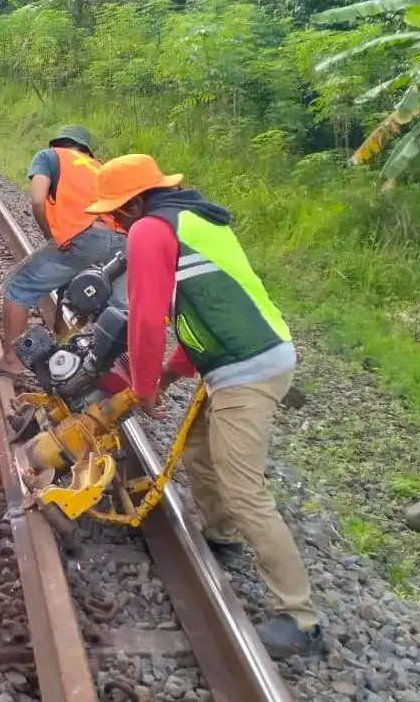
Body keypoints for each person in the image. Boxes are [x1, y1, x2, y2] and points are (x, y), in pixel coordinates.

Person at [84, 153, 321, 659]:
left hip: (247, 368)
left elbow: (147, 318)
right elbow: (210, 305)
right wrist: (172, 373)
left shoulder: (150, 229)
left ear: (133, 204)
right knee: (196, 449)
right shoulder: (193, 220)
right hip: (254, 352)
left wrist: (145, 385)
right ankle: (222, 534)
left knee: (243, 486)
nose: (114, 223)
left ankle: (301, 619)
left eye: (114, 213)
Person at [0, 126, 126, 377]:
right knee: (113, 311)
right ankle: (119, 376)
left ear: (58, 144)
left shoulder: (49, 156)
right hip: (121, 242)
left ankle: (11, 359)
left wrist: (53, 236)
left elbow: (38, 200)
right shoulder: (98, 166)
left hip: (84, 237)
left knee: (18, 285)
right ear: (85, 149)